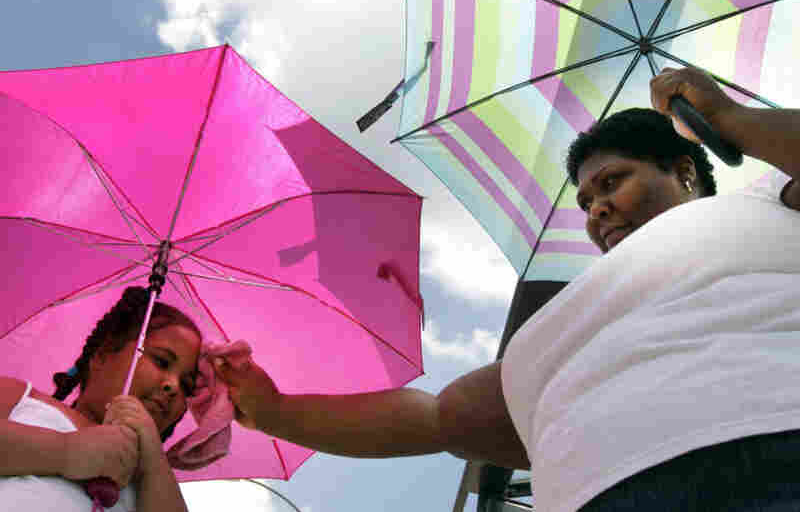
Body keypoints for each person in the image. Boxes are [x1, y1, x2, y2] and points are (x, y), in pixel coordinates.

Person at [213, 67, 800, 511]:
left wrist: (728, 120)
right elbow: (435, 420)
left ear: (685, 170)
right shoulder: (578, 308)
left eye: (612, 182)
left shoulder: (767, 200)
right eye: (586, 202)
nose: (596, 210)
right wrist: (273, 411)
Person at [0, 286, 201, 512]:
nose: (173, 386)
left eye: (187, 386)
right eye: (162, 362)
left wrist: (154, 461)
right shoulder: (22, 398)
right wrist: (66, 452)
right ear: (103, 354)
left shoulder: (149, 480)